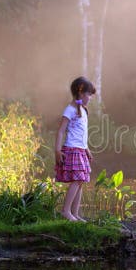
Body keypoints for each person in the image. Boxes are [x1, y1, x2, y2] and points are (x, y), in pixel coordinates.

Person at [55, 77, 95, 221]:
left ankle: (75, 213)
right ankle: (65, 211)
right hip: (72, 149)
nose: (90, 98)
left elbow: (81, 134)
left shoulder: (83, 111)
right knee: (77, 180)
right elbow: (60, 131)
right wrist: (57, 151)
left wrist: (87, 148)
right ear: (80, 93)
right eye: (88, 94)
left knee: (81, 181)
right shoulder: (70, 110)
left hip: (80, 150)